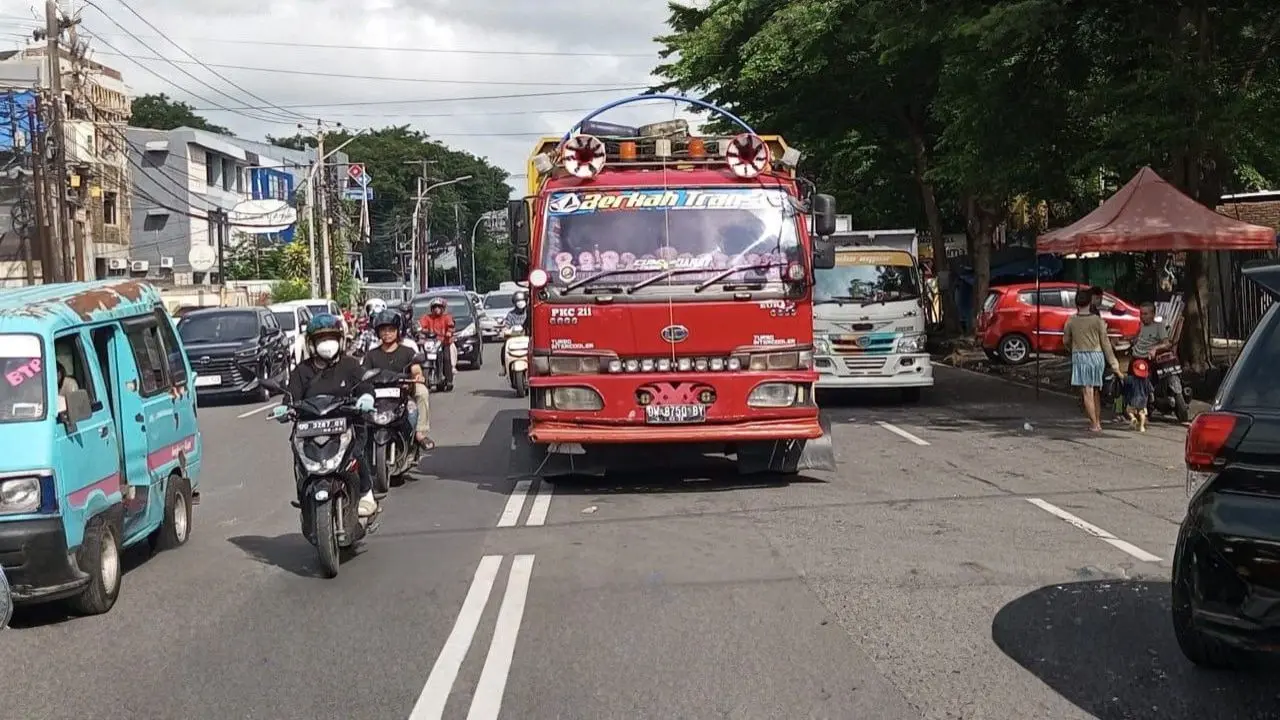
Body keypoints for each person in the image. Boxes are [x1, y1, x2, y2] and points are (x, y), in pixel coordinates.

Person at [283, 313, 379, 517]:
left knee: (357, 453)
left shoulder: (350, 365)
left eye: (331, 338)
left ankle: (366, 492)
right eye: (321, 339)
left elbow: (365, 385)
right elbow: (291, 397)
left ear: (340, 340)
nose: (327, 343)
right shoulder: (302, 370)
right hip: (310, 429)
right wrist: (286, 408)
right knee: (299, 459)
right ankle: (304, 494)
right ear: (311, 343)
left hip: (347, 423)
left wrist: (366, 398)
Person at [362, 309, 434, 450]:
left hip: (404, 392)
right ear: (378, 332)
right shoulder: (371, 354)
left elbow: (415, 368)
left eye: (391, 329)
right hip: (378, 395)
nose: (387, 333)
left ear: (398, 331)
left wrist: (417, 376)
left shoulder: (407, 351)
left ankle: (420, 433)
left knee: (422, 392)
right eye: (383, 330)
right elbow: (363, 373)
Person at [1063, 288, 1123, 432]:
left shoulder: (1071, 321)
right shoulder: (1098, 321)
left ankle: (1094, 424)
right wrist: (1114, 364)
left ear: (1076, 303)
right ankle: (1098, 421)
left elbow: (1065, 341)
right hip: (1097, 357)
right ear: (1090, 303)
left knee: (1086, 391)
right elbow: (1106, 343)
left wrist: (1072, 348)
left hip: (1081, 357)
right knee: (1096, 389)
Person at [417, 297, 455, 392]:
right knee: (422, 358)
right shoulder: (427, 317)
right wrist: (420, 330)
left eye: (439, 307)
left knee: (446, 359)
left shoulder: (447, 317)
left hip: (443, 342)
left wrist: (449, 332)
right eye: (435, 307)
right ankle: (426, 378)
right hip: (430, 343)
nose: (437, 309)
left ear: (442, 308)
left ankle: (449, 380)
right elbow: (420, 325)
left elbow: (451, 326)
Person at [498, 290, 529, 377]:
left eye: (522, 301)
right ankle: (504, 367)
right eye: (518, 301)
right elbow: (506, 325)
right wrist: (504, 331)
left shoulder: (529, 312)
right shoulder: (511, 314)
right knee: (504, 348)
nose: (520, 303)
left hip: (526, 337)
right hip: (513, 338)